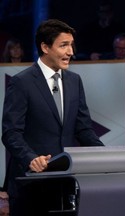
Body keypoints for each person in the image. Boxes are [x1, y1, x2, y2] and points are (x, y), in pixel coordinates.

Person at [1, 19, 104, 216]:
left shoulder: (74, 81)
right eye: (64, 45)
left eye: (71, 44)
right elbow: (11, 133)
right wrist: (30, 158)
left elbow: (83, 129)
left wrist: (106, 157)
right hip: (30, 183)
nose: (71, 52)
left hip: (65, 183)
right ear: (45, 47)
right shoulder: (21, 82)